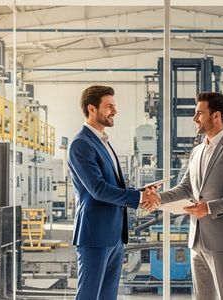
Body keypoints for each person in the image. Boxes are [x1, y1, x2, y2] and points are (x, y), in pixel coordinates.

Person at [154, 92, 223, 300]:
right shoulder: (197, 151)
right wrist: (157, 198)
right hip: (197, 240)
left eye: (199, 113)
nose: (194, 118)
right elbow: (186, 188)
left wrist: (209, 207)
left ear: (216, 116)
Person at [68, 85, 160, 300]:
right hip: (95, 235)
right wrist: (139, 198)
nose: (115, 111)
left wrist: (141, 192)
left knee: (108, 296)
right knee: (88, 296)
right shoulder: (81, 144)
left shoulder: (103, 142)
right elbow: (98, 189)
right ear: (92, 109)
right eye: (109, 106)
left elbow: (112, 186)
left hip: (114, 236)